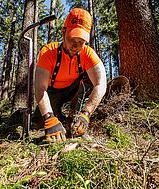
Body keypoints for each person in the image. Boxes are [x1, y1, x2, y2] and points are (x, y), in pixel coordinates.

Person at [32, 8, 107, 143]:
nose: (75, 46)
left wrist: (87, 113)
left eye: (81, 42)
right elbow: (40, 88)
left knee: (89, 80)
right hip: (52, 91)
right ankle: (56, 115)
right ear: (63, 32)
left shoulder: (88, 54)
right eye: (72, 38)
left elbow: (101, 83)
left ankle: (76, 116)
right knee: (38, 123)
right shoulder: (48, 52)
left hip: (74, 90)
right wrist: (49, 118)